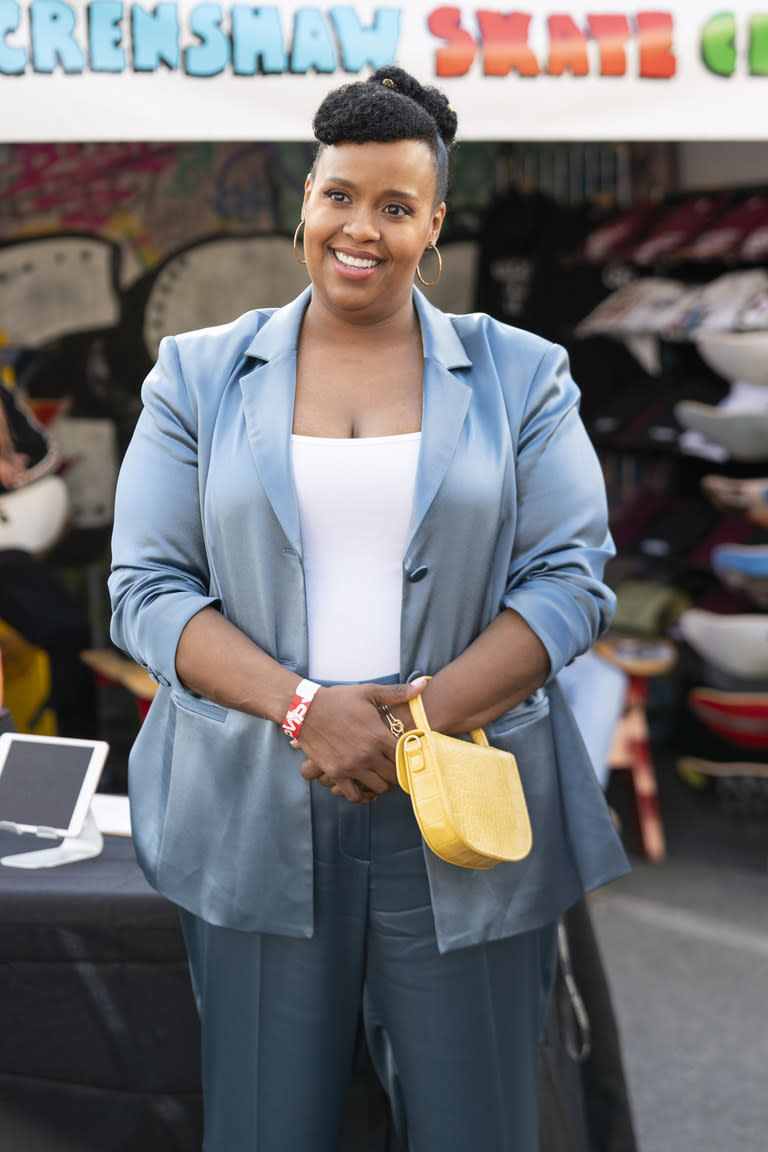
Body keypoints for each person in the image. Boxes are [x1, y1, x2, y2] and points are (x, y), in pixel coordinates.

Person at [109, 67, 629, 1152]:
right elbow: (148, 590)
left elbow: (571, 580)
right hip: (255, 799)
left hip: (465, 800)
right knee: (263, 1128)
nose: (363, 229)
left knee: (476, 1128)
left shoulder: (522, 375)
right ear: (305, 196)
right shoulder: (196, 377)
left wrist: (407, 723)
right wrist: (307, 710)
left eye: (397, 207)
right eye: (341, 195)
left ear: (434, 223)